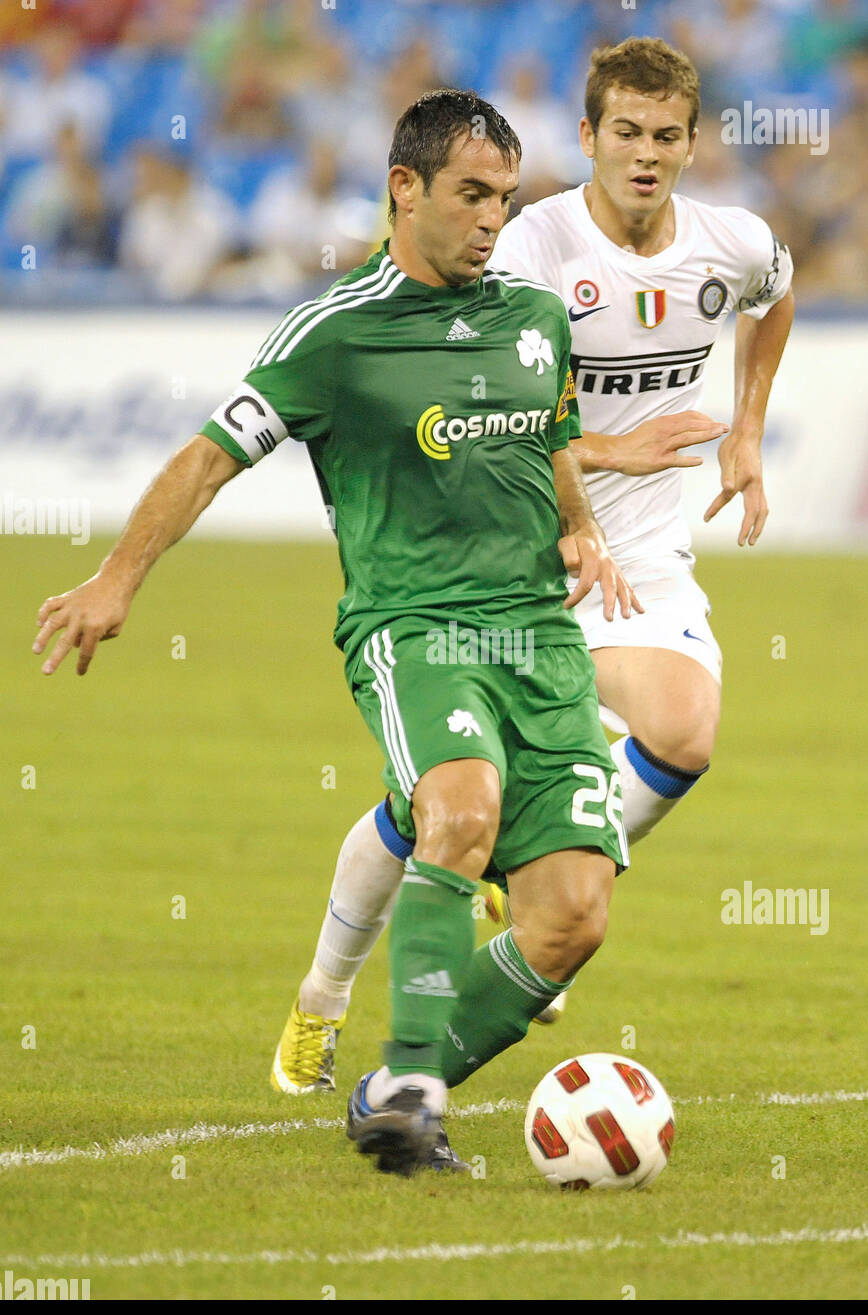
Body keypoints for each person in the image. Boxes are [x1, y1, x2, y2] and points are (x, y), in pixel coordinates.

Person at [33, 89, 638, 1178]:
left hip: (537, 642)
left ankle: (392, 1086)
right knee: (458, 806)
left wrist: (583, 528)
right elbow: (211, 453)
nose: (491, 219)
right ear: (403, 188)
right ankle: (410, 1087)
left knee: (572, 919)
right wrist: (118, 578)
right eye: (469, 195)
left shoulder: (533, 321)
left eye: (504, 198)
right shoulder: (335, 332)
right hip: (412, 627)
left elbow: (547, 441)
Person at [273, 37, 794, 1096]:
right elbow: (485, 419)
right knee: (436, 805)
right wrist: (608, 452)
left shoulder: (730, 242)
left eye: (665, 136)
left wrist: (746, 428)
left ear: (691, 144)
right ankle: (319, 1006)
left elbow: (773, 294)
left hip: (635, 551)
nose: (643, 156)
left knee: (684, 730)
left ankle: (516, 900)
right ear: (588, 138)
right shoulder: (526, 250)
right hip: (507, 544)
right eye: (623, 134)